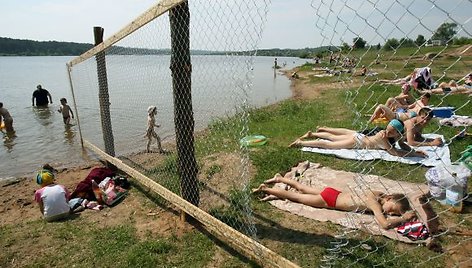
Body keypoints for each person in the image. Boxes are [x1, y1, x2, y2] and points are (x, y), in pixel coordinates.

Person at [252, 175, 417, 230]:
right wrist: (403, 219)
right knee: (296, 197)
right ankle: (265, 189)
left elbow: (387, 211)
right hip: (329, 200)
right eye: (391, 209)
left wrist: (400, 213)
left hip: (333, 192)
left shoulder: (377, 193)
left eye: (392, 214)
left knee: (302, 187)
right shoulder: (374, 204)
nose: (389, 213)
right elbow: (384, 224)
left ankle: (279, 178)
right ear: (388, 199)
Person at [289, 119, 427, 158]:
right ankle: (301, 142)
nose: (387, 132)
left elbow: (402, 145)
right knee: (330, 145)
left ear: (397, 133)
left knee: (332, 138)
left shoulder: (395, 137)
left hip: (359, 137)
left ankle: (312, 134)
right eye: (388, 129)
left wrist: (414, 151)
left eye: (391, 132)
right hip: (358, 141)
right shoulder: (383, 136)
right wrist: (413, 153)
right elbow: (394, 152)